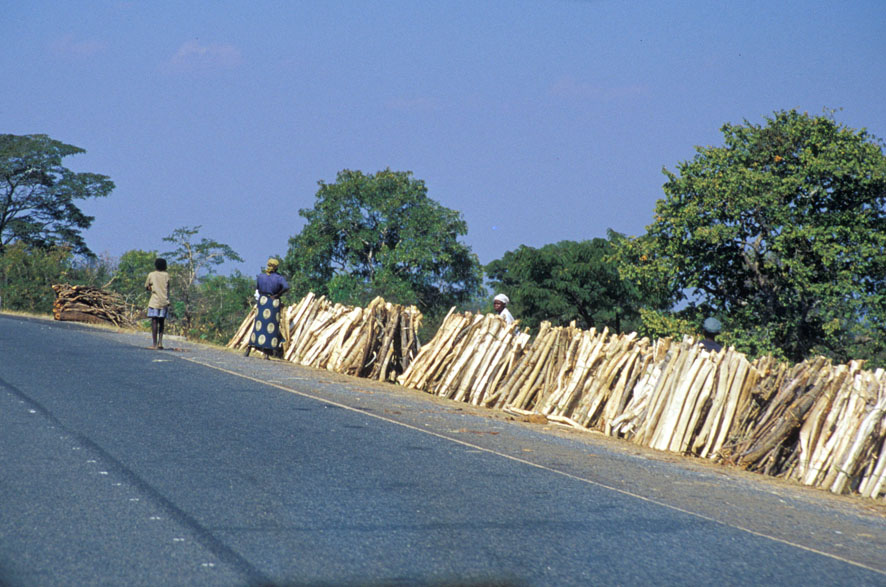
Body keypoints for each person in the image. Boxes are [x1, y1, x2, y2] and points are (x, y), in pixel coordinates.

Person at [245, 258, 290, 358]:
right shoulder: (279, 278)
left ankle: (249, 348)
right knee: (271, 328)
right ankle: (266, 354)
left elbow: (258, 288)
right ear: (276, 267)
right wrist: (277, 294)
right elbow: (286, 287)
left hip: (262, 301)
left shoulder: (261, 276)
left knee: (258, 326)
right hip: (273, 302)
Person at [144, 258, 170, 350]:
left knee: (154, 321)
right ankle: (160, 343)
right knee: (162, 322)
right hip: (164, 301)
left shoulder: (151, 274)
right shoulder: (166, 275)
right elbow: (168, 287)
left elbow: (146, 286)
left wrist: (152, 288)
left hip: (154, 301)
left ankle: (154, 344)